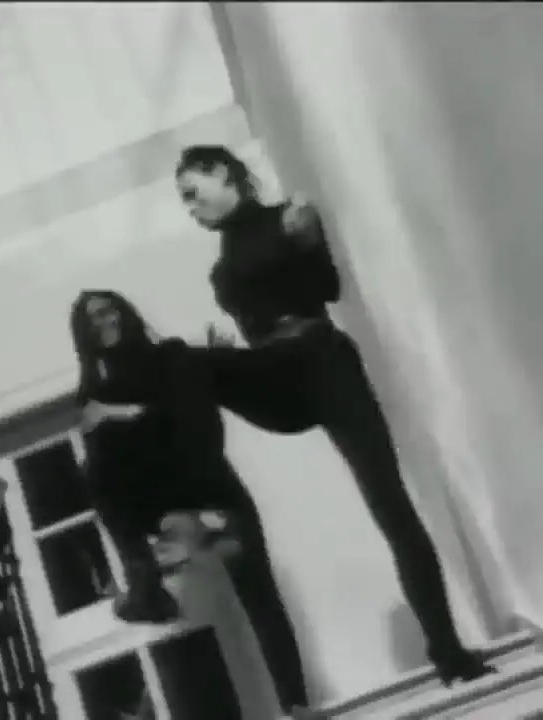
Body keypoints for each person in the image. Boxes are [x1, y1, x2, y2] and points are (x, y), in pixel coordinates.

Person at [141, 143, 489, 686]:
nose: (190, 208)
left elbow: (326, 288)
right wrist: (230, 358)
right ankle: (204, 508)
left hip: (324, 364)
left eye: (192, 193)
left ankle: (446, 650)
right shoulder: (221, 268)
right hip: (276, 377)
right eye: (185, 201)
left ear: (223, 173)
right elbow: (255, 329)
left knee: (390, 505)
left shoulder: (288, 217)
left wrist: (305, 241)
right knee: (180, 361)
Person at [71, 290, 309, 716]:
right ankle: (142, 576)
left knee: (260, 596)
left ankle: (296, 705)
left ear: (125, 312)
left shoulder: (172, 357)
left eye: (107, 312)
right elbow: (112, 471)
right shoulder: (95, 393)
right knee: (93, 465)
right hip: (161, 501)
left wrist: (124, 415)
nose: (103, 323)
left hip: (209, 485)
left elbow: (193, 420)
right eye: (91, 321)